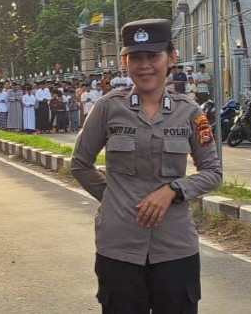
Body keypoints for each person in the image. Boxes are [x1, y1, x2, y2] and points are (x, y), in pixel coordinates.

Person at [71, 19, 221, 314]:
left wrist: (174, 190)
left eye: (153, 56)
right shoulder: (108, 108)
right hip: (119, 246)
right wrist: (114, 200)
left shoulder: (190, 113)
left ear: (171, 58)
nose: (144, 66)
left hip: (175, 246)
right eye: (135, 58)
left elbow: (212, 171)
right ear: (125, 61)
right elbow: (80, 163)